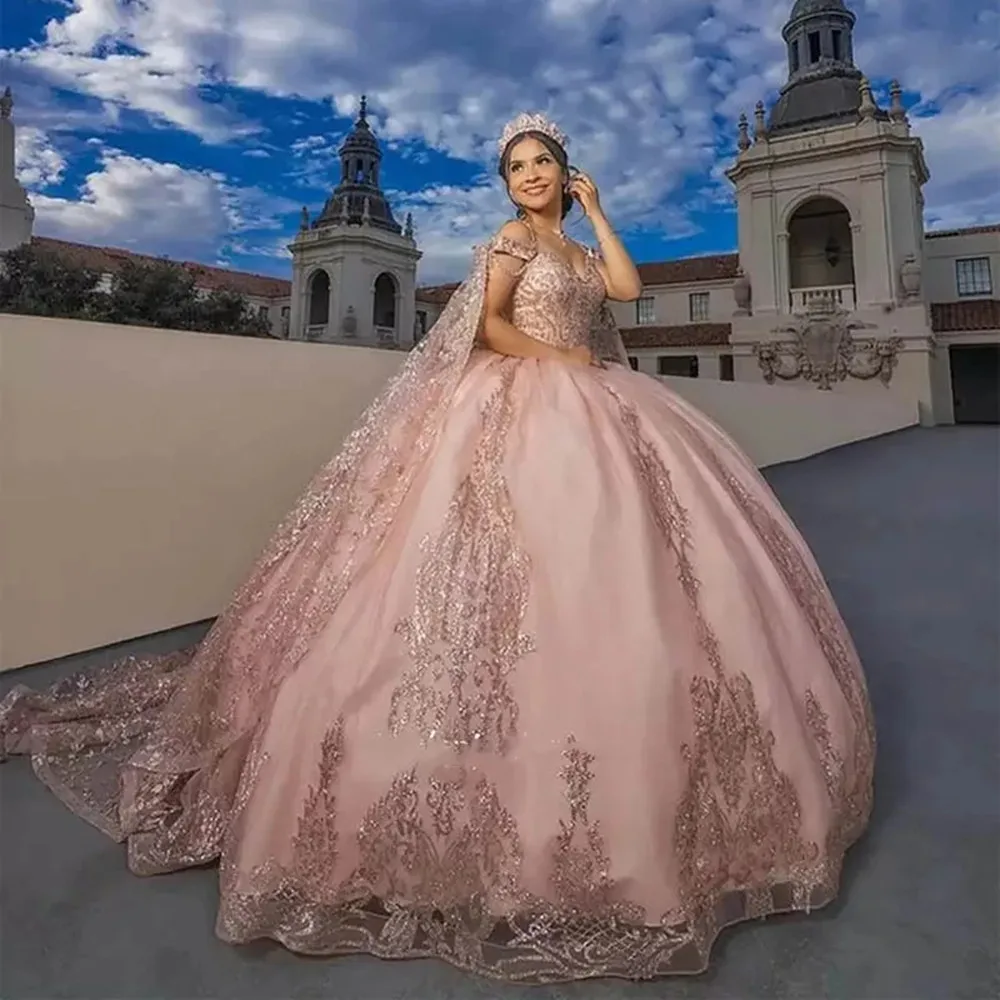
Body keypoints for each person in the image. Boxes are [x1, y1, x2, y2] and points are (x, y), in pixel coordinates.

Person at [0, 112, 875, 983]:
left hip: (595, 400)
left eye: (544, 164)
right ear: (505, 184)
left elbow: (626, 289)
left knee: (632, 571)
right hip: (528, 401)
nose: (529, 176)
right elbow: (489, 327)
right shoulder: (506, 241)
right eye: (517, 167)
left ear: (565, 173)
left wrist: (597, 214)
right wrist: (555, 359)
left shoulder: (570, 249)